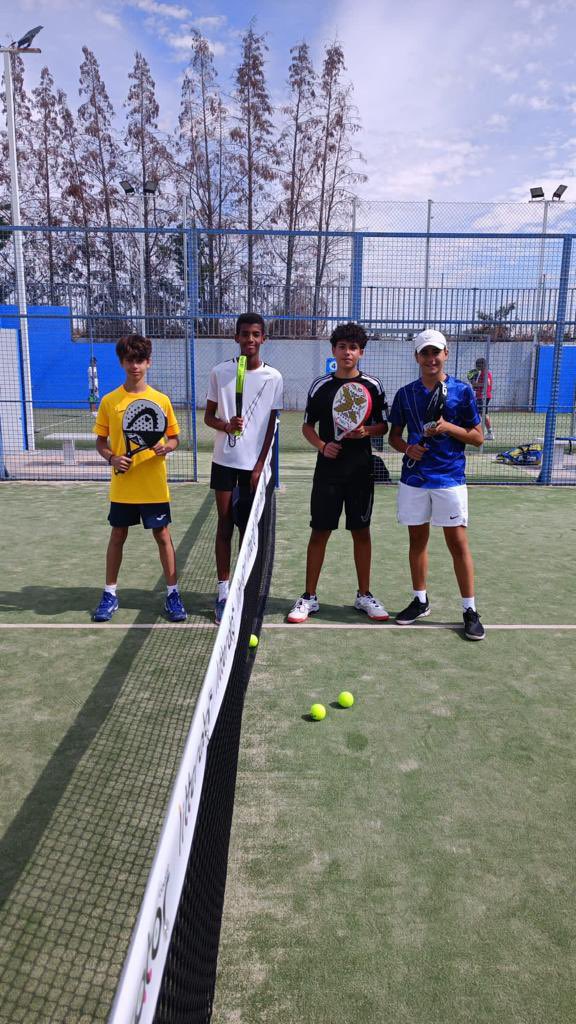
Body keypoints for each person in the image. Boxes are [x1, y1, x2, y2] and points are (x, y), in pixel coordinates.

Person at [287, 322, 389, 624]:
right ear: (333, 350)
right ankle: (309, 597)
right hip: (328, 473)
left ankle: (364, 595)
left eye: (353, 348)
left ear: (361, 352)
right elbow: (307, 426)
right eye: (342, 347)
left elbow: (384, 425)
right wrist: (322, 446)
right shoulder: (320, 386)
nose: (347, 352)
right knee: (320, 531)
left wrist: (366, 431)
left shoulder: (373, 386)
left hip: (361, 472)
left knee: (361, 532)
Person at [388, 329, 485, 640]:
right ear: (417, 357)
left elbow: (478, 437)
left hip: (449, 478)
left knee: (457, 543)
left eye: (436, 352)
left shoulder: (462, 391)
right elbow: (393, 437)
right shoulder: (405, 394)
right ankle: (420, 601)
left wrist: (447, 427)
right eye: (425, 353)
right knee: (417, 541)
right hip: (414, 479)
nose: (431, 358)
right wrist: (408, 449)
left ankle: (470, 610)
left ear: (446, 354)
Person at [91, 334, 187, 623]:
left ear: (148, 362)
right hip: (123, 487)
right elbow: (100, 442)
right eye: (130, 360)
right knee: (118, 535)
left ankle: (173, 594)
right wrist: (112, 458)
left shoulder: (161, 400)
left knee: (162, 535)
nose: (135, 365)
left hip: (153, 486)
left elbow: (174, 438)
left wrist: (167, 447)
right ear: (122, 362)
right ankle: (109, 594)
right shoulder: (110, 401)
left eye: (140, 360)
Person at [205, 313, 283, 624]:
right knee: (225, 525)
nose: (250, 339)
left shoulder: (273, 377)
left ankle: (243, 588)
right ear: (236, 337)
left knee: (247, 530)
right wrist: (226, 425)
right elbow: (209, 417)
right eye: (245, 334)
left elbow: (271, 426)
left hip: (253, 467)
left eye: (255, 334)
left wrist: (260, 465)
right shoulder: (220, 372)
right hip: (224, 462)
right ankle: (223, 592)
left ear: (263, 338)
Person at [467, 357, 494, 439]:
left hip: (483, 396)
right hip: (481, 396)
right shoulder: (481, 373)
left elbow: (487, 383)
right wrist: (474, 384)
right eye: (476, 365)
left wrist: (474, 383)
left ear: (483, 365)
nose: (476, 366)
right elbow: (479, 386)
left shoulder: (485, 373)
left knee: (480, 414)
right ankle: (488, 432)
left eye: (478, 365)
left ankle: (488, 433)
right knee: (481, 414)